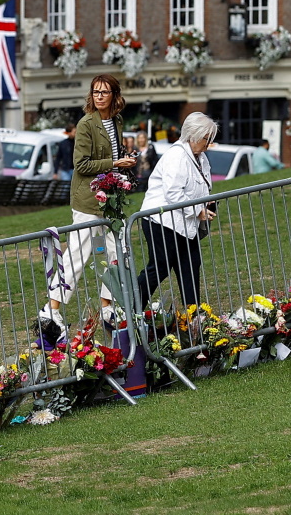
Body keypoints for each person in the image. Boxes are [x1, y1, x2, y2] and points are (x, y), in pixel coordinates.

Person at [40, 74, 139, 344]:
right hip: (87, 199)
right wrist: (115, 164)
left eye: (105, 92)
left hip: (111, 197)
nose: (99, 96)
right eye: (96, 91)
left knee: (119, 252)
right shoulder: (86, 124)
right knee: (78, 255)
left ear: (114, 96)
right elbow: (81, 165)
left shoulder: (116, 120)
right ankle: (51, 309)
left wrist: (123, 165)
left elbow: (114, 156)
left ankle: (107, 306)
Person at [135, 113, 220, 311]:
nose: (209, 144)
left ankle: (194, 314)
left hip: (184, 223)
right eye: (207, 139)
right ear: (194, 135)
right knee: (160, 267)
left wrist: (207, 202)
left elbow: (200, 185)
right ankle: (131, 309)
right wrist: (197, 211)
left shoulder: (201, 157)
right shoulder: (177, 155)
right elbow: (173, 193)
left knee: (191, 264)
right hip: (161, 221)